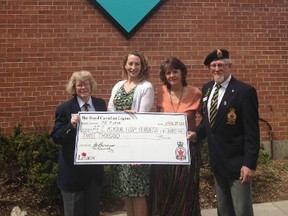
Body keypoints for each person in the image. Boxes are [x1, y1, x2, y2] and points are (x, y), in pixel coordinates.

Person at [190, 49, 260, 216]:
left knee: (242, 210)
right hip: (218, 162)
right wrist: (196, 134)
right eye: (213, 65)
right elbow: (208, 122)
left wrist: (249, 164)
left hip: (237, 164)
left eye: (221, 65)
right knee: (224, 210)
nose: (216, 69)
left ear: (229, 66)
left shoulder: (244, 91)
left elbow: (252, 132)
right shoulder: (207, 89)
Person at [150, 56, 202, 215]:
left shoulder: (195, 92)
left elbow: (207, 122)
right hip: (164, 151)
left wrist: (196, 133)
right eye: (168, 73)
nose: (171, 76)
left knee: (185, 192)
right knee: (163, 190)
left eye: (175, 72)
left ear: (182, 73)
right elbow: (155, 119)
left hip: (187, 150)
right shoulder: (161, 92)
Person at [51, 70, 107, 216]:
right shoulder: (64, 109)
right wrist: (70, 126)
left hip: (94, 174)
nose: (83, 88)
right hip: (72, 174)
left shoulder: (100, 105)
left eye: (86, 84)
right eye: (79, 85)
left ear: (91, 85)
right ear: (74, 88)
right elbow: (56, 137)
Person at [107, 50, 154, 216]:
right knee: (126, 190)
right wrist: (122, 115)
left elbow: (142, 117)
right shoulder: (118, 85)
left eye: (137, 64)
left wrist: (129, 116)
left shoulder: (145, 87)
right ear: (125, 65)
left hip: (136, 145)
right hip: (120, 145)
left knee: (138, 191)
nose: (133, 67)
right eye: (130, 63)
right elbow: (110, 110)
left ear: (142, 66)